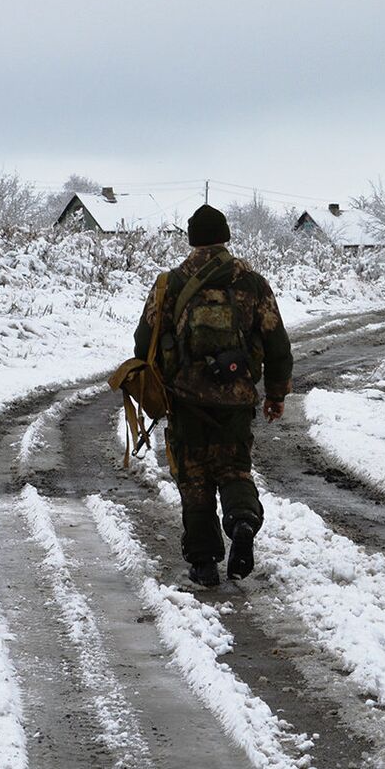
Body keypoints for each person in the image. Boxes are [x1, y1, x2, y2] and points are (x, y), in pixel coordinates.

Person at [133, 204, 292, 587]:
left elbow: (142, 344)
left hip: (186, 400)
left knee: (194, 476)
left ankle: (203, 562)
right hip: (236, 400)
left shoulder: (169, 285)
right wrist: (275, 394)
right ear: (225, 237)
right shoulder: (252, 283)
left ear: (191, 240)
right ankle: (241, 523)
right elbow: (277, 344)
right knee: (234, 467)